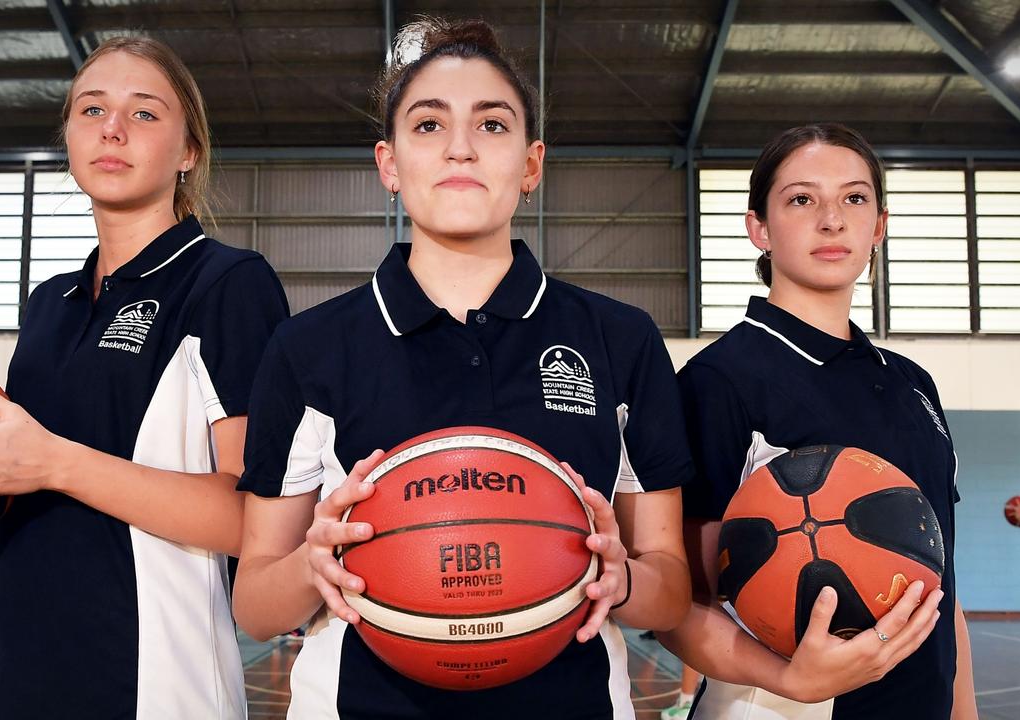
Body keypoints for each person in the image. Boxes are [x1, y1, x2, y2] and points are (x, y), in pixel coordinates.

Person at [232, 18, 693, 719]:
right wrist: (310, 564)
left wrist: (621, 580)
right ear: (388, 164)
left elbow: (672, 586)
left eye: (493, 125)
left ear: (532, 164)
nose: (459, 147)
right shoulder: (308, 348)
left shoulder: (619, 340)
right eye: (427, 125)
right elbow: (256, 607)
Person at [0, 37, 288, 719]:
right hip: (15, 677)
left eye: (145, 113)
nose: (113, 128)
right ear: (69, 138)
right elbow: (19, 483)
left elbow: (252, 522)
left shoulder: (226, 283)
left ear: (189, 151)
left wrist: (52, 463)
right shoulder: (51, 303)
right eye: (91, 109)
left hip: (151, 686)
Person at [657, 123, 978, 719]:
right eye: (802, 199)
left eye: (854, 198)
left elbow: (941, 583)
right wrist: (791, 677)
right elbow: (680, 606)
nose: (832, 220)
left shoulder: (914, 384)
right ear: (759, 228)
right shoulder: (720, 381)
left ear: (878, 224)